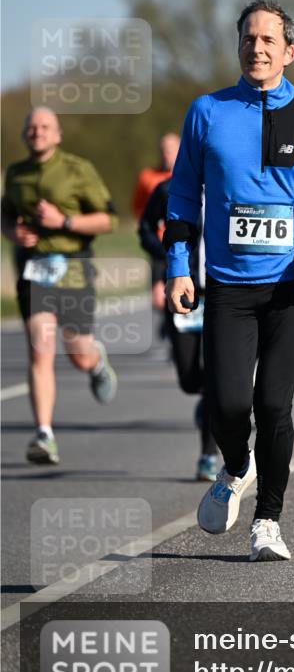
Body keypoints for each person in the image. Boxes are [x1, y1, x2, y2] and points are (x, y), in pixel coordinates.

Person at [164, 0, 294, 562]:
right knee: (225, 404)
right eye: (249, 38)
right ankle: (235, 467)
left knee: (273, 405)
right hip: (226, 284)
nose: (258, 48)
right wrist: (178, 266)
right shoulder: (208, 112)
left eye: (269, 40)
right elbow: (181, 194)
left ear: (289, 51)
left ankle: (267, 520)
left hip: (292, 282)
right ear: (238, 46)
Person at [1, 107, 119, 465]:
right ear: (25, 134)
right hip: (33, 271)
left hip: (73, 269)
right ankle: (44, 434)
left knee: (78, 354)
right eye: (31, 126)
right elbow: (4, 215)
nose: (37, 131)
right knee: (40, 349)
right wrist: (13, 232)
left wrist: (63, 220)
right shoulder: (16, 174)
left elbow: (108, 219)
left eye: (44, 127)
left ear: (58, 134)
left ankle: (96, 361)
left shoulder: (77, 169)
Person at [139, 179, 218, 480]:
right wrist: (166, 260)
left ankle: (208, 455)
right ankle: (207, 401)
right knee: (188, 378)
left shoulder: (232, 181)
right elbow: (146, 228)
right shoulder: (167, 190)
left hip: (223, 293)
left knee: (215, 377)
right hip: (184, 292)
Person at [132, 133, 180, 323]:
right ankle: (169, 324)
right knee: (160, 298)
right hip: (160, 247)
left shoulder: (191, 177)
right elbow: (138, 208)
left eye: (170, 150)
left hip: (185, 246)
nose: (166, 155)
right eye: (163, 150)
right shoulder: (148, 177)